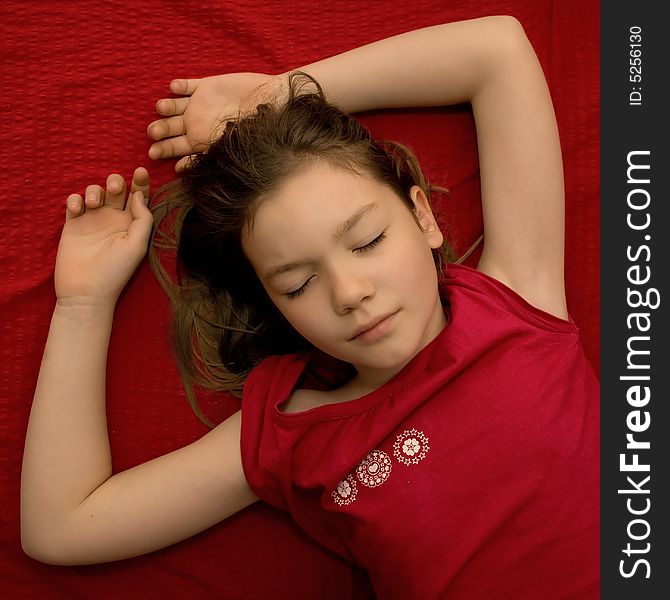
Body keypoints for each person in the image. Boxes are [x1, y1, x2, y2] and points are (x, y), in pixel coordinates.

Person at [21, 15, 599, 599]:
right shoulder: (293, 431)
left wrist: (273, 96)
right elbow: (62, 527)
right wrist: (83, 305)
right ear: (273, 302)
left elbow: (496, 50)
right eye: (297, 285)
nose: (350, 294)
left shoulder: (517, 298)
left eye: (369, 242)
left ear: (422, 216)